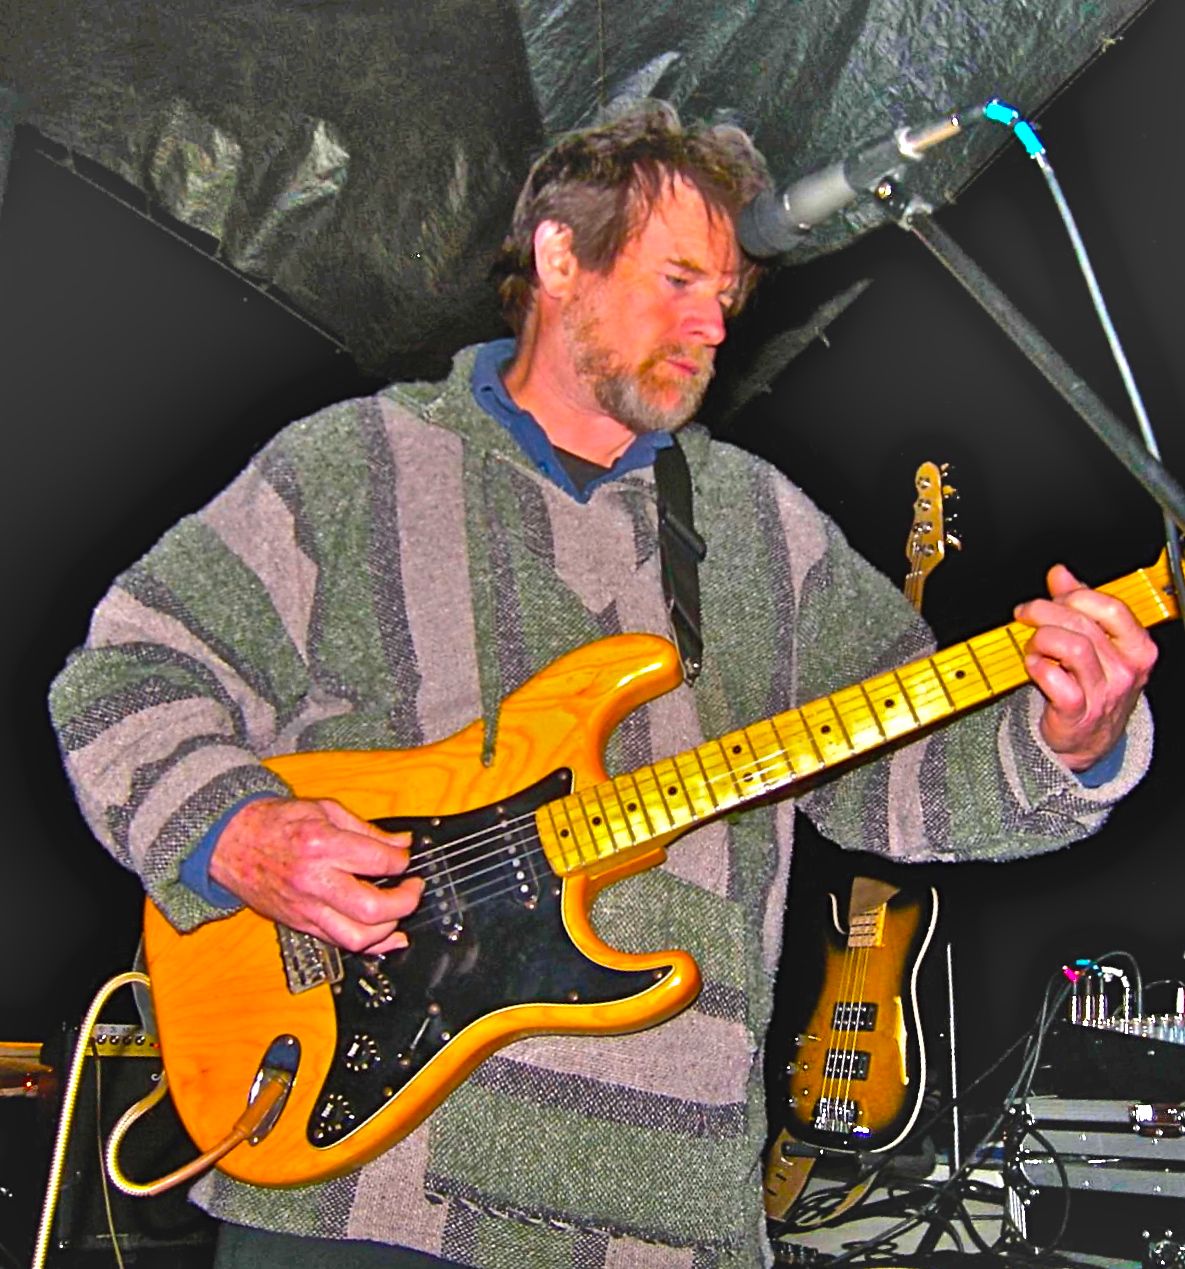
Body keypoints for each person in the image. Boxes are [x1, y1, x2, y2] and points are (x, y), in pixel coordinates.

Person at [49, 102, 1157, 1268]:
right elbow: (124, 676)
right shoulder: (353, 465)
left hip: (665, 1218)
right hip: (372, 1193)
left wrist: (1068, 742)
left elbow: (903, 778)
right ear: (560, 257)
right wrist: (237, 834)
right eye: (679, 280)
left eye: (726, 295)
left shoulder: (765, 529)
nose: (712, 324)